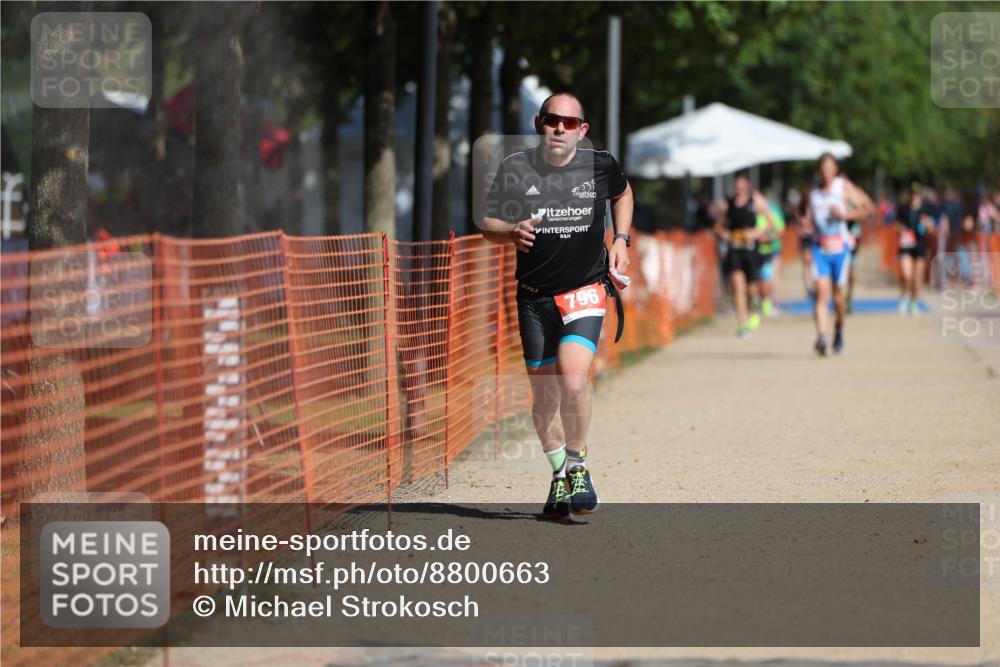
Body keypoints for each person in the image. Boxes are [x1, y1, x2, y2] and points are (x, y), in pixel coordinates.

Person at [481, 92, 633, 519]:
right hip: (533, 298)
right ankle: (558, 476)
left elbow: (623, 195)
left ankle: (579, 467)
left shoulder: (600, 164)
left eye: (569, 123)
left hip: (584, 290)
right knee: (544, 400)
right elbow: (487, 223)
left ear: (582, 130)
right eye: (552, 120)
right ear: (539, 123)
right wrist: (510, 230)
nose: (559, 129)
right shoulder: (515, 168)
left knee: (572, 378)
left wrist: (620, 239)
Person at [802, 153, 873, 356]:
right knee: (821, 295)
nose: (826, 172)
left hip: (841, 250)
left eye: (830, 168)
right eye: (823, 168)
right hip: (820, 250)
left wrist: (846, 215)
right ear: (819, 171)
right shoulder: (813, 193)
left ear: (835, 170)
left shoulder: (843, 187)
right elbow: (803, 213)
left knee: (838, 298)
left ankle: (839, 329)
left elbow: (868, 208)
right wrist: (804, 220)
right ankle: (822, 337)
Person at [714, 174, 774, 338]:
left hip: (751, 250)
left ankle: (754, 309)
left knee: (751, 288)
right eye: (736, 186)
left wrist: (756, 233)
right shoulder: (727, 203)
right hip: (735, 249)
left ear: (747, 187)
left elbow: (770, 222)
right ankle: (742, 324)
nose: (738, 189)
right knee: (737, 287)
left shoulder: (755, 201)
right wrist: (725, 234)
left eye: (742, 186)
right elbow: (718, 226)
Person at [894, 187, 932, 315]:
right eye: (912, 193)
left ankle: (914, 302)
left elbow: (932, 229)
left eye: (916, 193)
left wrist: (928, 225)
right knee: (907, 275)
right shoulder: (903, 208)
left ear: (920, 195)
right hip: (906, 244)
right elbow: (895, 224)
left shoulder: (926, 209)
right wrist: (901, 230)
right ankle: (904, 296)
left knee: (917, 278)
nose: (914, 196)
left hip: (920, 246)